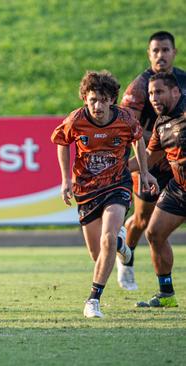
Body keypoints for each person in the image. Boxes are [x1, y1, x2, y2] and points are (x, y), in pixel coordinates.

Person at [51, 70, 157, 318]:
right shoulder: (76, 119)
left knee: (107, 238)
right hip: (86, 190)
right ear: (85, 100)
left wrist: (144, 172)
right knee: (98, 254)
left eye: (103, 99)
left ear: (112, 99)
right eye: (92, 100)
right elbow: (61, 142)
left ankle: (92, 300)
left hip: (116, 186)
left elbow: (138, 140)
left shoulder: (125, 118)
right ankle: (122, 243)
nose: (97, 106)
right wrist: (66, 179)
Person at [119, 31, 186, 290]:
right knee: (145, 223)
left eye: (165, 50)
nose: (160, 55)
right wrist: (117, 169)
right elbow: (132, 134)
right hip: (157, 167)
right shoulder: (140, 87)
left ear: (174, 52)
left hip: (175, 164)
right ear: (149, 54)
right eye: (155, 51)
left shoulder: (182, 81)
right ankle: (126, 257)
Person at [131, 72, 186, 308]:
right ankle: (166, 294)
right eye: (151, 93)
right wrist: (114, 167)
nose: (153, 97)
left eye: (159, 92)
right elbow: (149, 159)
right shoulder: (161, 123)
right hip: (179, 188)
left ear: (176, 92)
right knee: (153, 233)